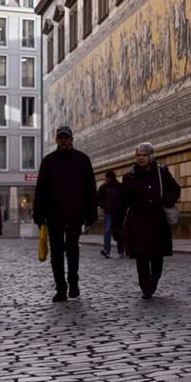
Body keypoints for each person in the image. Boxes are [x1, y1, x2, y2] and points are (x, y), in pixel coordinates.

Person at [32, 124, 97, 303]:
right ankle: (60, 287)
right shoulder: (48, 161)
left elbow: (90, 189)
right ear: (56, 140)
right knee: (57, 254)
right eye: (60, 137)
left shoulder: (83, 159)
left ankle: (73, 281)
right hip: (54, 215)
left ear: (71, 139)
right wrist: (38, 214)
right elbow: (41, 190)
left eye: (66, 137)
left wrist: (91, 213)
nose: (63, 140)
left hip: (75, 213)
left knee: (72, 250)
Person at [119, 143, 179, 299]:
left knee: (157, 256)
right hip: (138, 222)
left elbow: (175, 190)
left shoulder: (162, 173)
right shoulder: (129, 177)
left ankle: (154, 281)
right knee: (142, 256)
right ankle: (145, 287)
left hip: (158, 220)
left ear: (151, 156)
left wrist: (164, 200)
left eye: (143, 155)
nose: (140, 158)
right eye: (138, 155)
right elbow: (123, 199)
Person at [97, 170, 123, 258]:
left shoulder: (119, 187)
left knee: (119, 232)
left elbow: (123, 199)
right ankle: (106, 250)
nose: (105, 179)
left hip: (118, 213)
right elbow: (98, 199)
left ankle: (121, 251)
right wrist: (104, 205)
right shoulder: (103, 187)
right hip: (108, 213)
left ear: (109, 178)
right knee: (107, 231)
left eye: (106, 177)